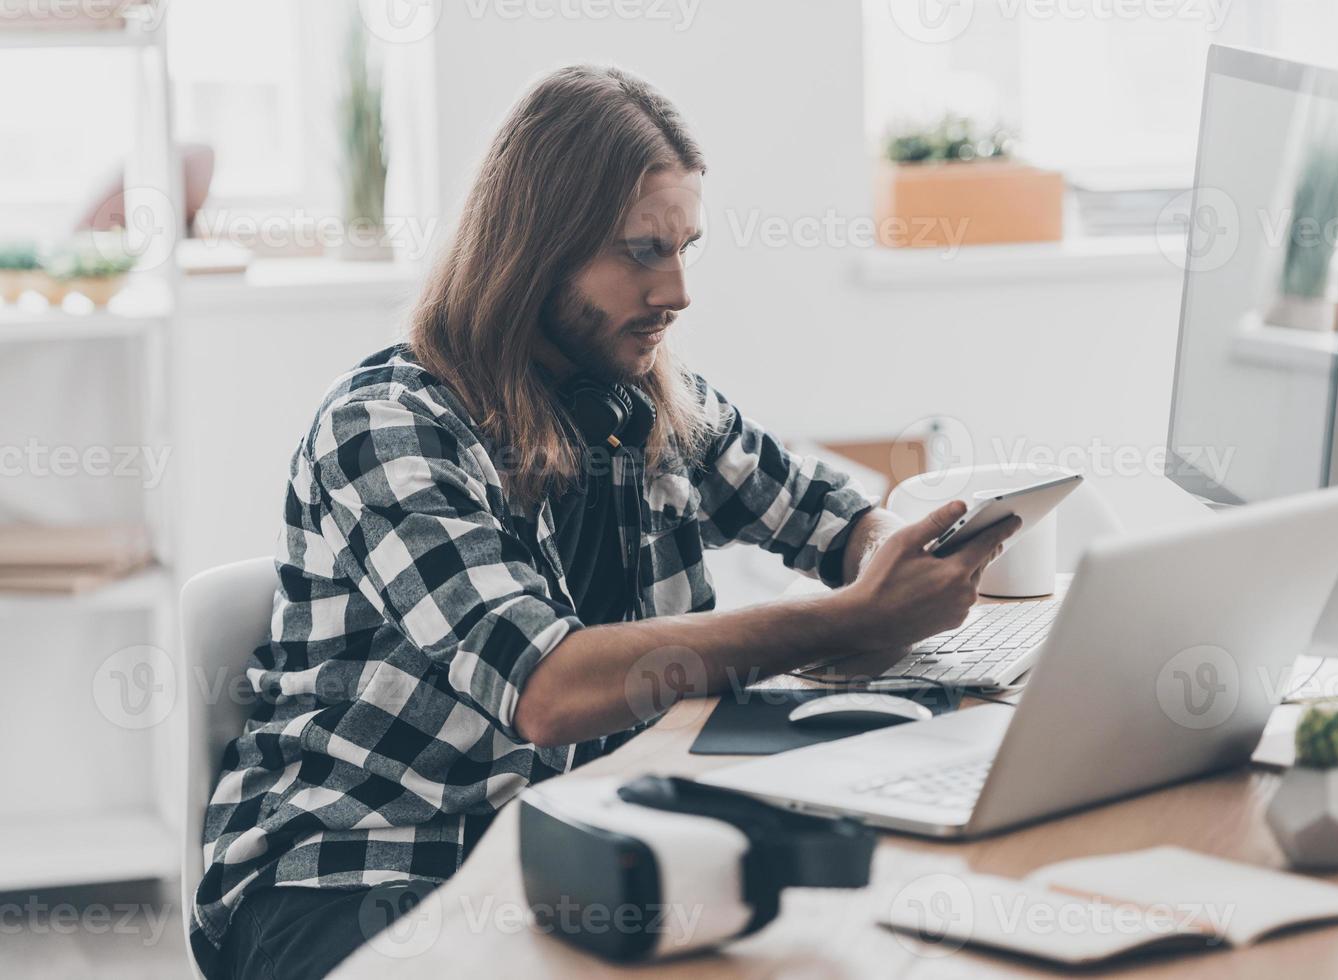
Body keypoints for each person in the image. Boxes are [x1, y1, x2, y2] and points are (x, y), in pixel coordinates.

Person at [190, 64, 1016, 980]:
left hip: (584, 844)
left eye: (685, 248)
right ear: (535, 248)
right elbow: (542, 690)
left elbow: (830, 519)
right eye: (640, 252)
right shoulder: (388, 428)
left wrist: (897, 558)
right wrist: (851, 619)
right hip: (358, 869)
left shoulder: (650, 402)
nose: (677, 291)